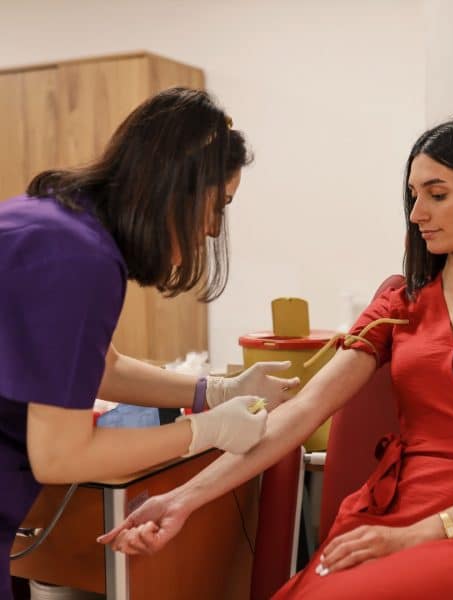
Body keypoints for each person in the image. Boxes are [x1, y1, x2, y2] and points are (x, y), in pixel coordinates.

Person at [99, 115, 453, 599]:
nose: (416, 213)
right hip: (394, 517)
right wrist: (183, 499)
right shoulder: (400, 303)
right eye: (413, 195)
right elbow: (302, 413)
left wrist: (423, 534)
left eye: (437, 194)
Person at [0, 87, 301, 600]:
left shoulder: (57, 221)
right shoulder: (77, 259)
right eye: (218, 206)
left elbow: (100, 369)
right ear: (177, 187)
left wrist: (216, 392)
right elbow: (60, 455)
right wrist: (207, 431)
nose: (211, 229)